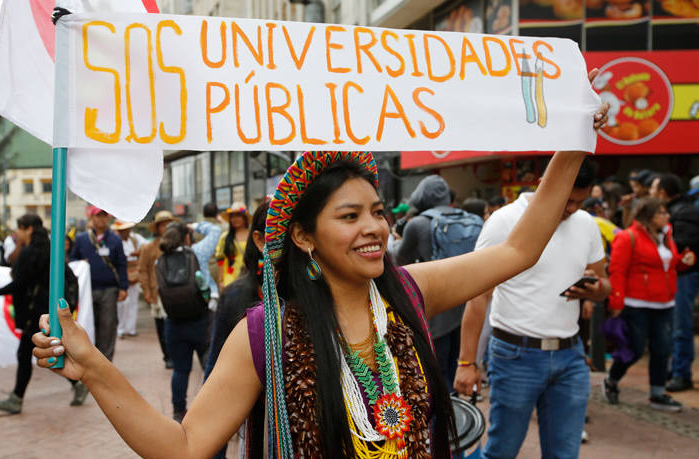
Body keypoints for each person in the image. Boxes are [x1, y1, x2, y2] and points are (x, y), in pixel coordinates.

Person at [33, 93, 608, 457]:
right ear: (304, 237)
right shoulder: (265, 335)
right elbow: (185, 447)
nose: (375, 229)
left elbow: (518, 252)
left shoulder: (409, 290)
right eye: (350, 217)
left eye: (378, 213)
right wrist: (96, 368)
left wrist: (572, 146)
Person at [455, 160, 612, 458]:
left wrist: (595, 290)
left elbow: (604, 284)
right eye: (567, 200)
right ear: (544, 183)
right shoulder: (504, 221)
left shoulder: (586, 224)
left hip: (571, 356)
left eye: (580, 201)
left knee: (565, 454)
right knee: (502, 451)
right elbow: (477, 296)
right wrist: (466, 362)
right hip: (515, 355)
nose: (572, 209)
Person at [393, 175, 484, 391]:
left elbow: (400, 260)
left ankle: (443, 418)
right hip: (468, 305)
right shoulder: (472, 219)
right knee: (457, 365)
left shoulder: (418, 224)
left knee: (435, 371)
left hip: (437, 308)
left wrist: (399, 238)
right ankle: (459, 412)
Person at [603, 197, 695, 411]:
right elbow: (618, 271)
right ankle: (612, 380)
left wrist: (682, 261)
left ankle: (657, 393)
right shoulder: (628, 238)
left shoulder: (666, 236)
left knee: (662, 349)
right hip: (636, 303)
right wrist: (616, 302)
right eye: (661, 213)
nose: (667, 216)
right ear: (649, 216)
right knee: (633, 349)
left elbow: (666, 266)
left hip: (664, 302)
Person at [0, 214, 86, 413]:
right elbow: (70, 277)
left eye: (20, 229)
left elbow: (18, 285)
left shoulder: (31, 252)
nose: (17, 233)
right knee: (50, 352)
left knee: (30, 353)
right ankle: (77, 385)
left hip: (35, 313)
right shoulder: (52, 250)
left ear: (29, 229)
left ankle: (17, 399)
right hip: (50, 312)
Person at [203, 201, 269, 459]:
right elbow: (214, 380)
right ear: (260, 240)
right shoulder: (236, 298)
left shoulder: (325, 293)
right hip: (256, 427)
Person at [155, 222, 210, 423]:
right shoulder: (193, 255)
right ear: (185, 237)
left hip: (174, 323)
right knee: (209, 366)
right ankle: (211, 408)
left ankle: (179, 412)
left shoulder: (159, 262)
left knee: (180, 370)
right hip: (199, 321)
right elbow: (202, 285)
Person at [650, 174, 699, 392]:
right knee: (671, 325)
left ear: (663, 192)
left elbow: (683, 245)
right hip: (671, 276)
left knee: (681, 325)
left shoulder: (684, 212)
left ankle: (681, 373)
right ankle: (675, 368)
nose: (650, 191)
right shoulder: (675, 210)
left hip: (684, 276)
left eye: (653, 188)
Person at [71, 206, 128, 362]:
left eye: (104, 216)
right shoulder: (82, 239)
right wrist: (80, 262)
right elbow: (71, 260)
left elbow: (122, 264)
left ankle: (106, 361)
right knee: (88, 325)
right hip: (87, 291)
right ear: (91, 218)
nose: (101, 219)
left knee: (108, 326)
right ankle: (90, 361)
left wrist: (123, 287)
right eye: (98, 216)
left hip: (109, 289)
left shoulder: (115, 240)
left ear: (108, 218)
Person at [139, 210, 177, 369]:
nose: (165, 227)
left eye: (168, 224)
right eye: (162, 224)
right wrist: (147, 291)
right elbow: (143, 270)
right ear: (158, 227)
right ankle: (167, 356)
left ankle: (176, 353)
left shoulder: (178, 244)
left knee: (176, 325)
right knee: (161, 326)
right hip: (158, 292)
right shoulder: (149, 247)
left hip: (176, 291)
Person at [113, 221, 146, 338]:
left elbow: (146, 247)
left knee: (133, 302)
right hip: (122, 274)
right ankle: (120, 329)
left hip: (134, 273)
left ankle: (131, 328)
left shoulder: (135, 239)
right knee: (122, 304)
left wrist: (139, 252)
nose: (125, 232)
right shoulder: (115, 241)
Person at [192, 202, 223, 307]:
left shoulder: (197, 229)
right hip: (218, 269)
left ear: (203, 214)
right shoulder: (222, 228)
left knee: (203, 301)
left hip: (199, 268)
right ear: (216, 214)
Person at [215, 203, 250, 291]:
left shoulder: (253, 236)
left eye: (238, 216)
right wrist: (220, 281)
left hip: (249, 279)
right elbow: (220, 260)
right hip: (230, 280)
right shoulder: (225, 237)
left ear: (244, 218)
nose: (235, 219)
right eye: (232, 216)